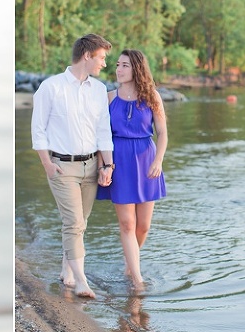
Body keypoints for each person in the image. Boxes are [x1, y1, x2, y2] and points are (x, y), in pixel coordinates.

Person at [30, 34, 115, 299]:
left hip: (91, 166)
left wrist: (107, 165)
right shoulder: (51, 87)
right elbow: (38, 130)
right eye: (101, 57)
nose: (104, 64)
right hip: (61, 167)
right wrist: (47, 164)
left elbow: (103, 132)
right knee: (74, 222)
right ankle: (81, 280)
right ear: (87, 55)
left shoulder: (99, 90)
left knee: (81, 223)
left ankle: (67, 268)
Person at [96, 49, 168, 292]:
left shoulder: (152, 97)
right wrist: (103, 165)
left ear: (136, 68)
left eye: (124, 65)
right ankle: (137, 279)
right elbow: (100, 135)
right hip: (120, 161)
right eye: (117, 64)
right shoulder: (108, 97)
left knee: (143, 226)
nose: (118, 69)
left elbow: (163, 133)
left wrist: (158, 161)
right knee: (127, 223)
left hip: (147, 158)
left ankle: (130, 264)